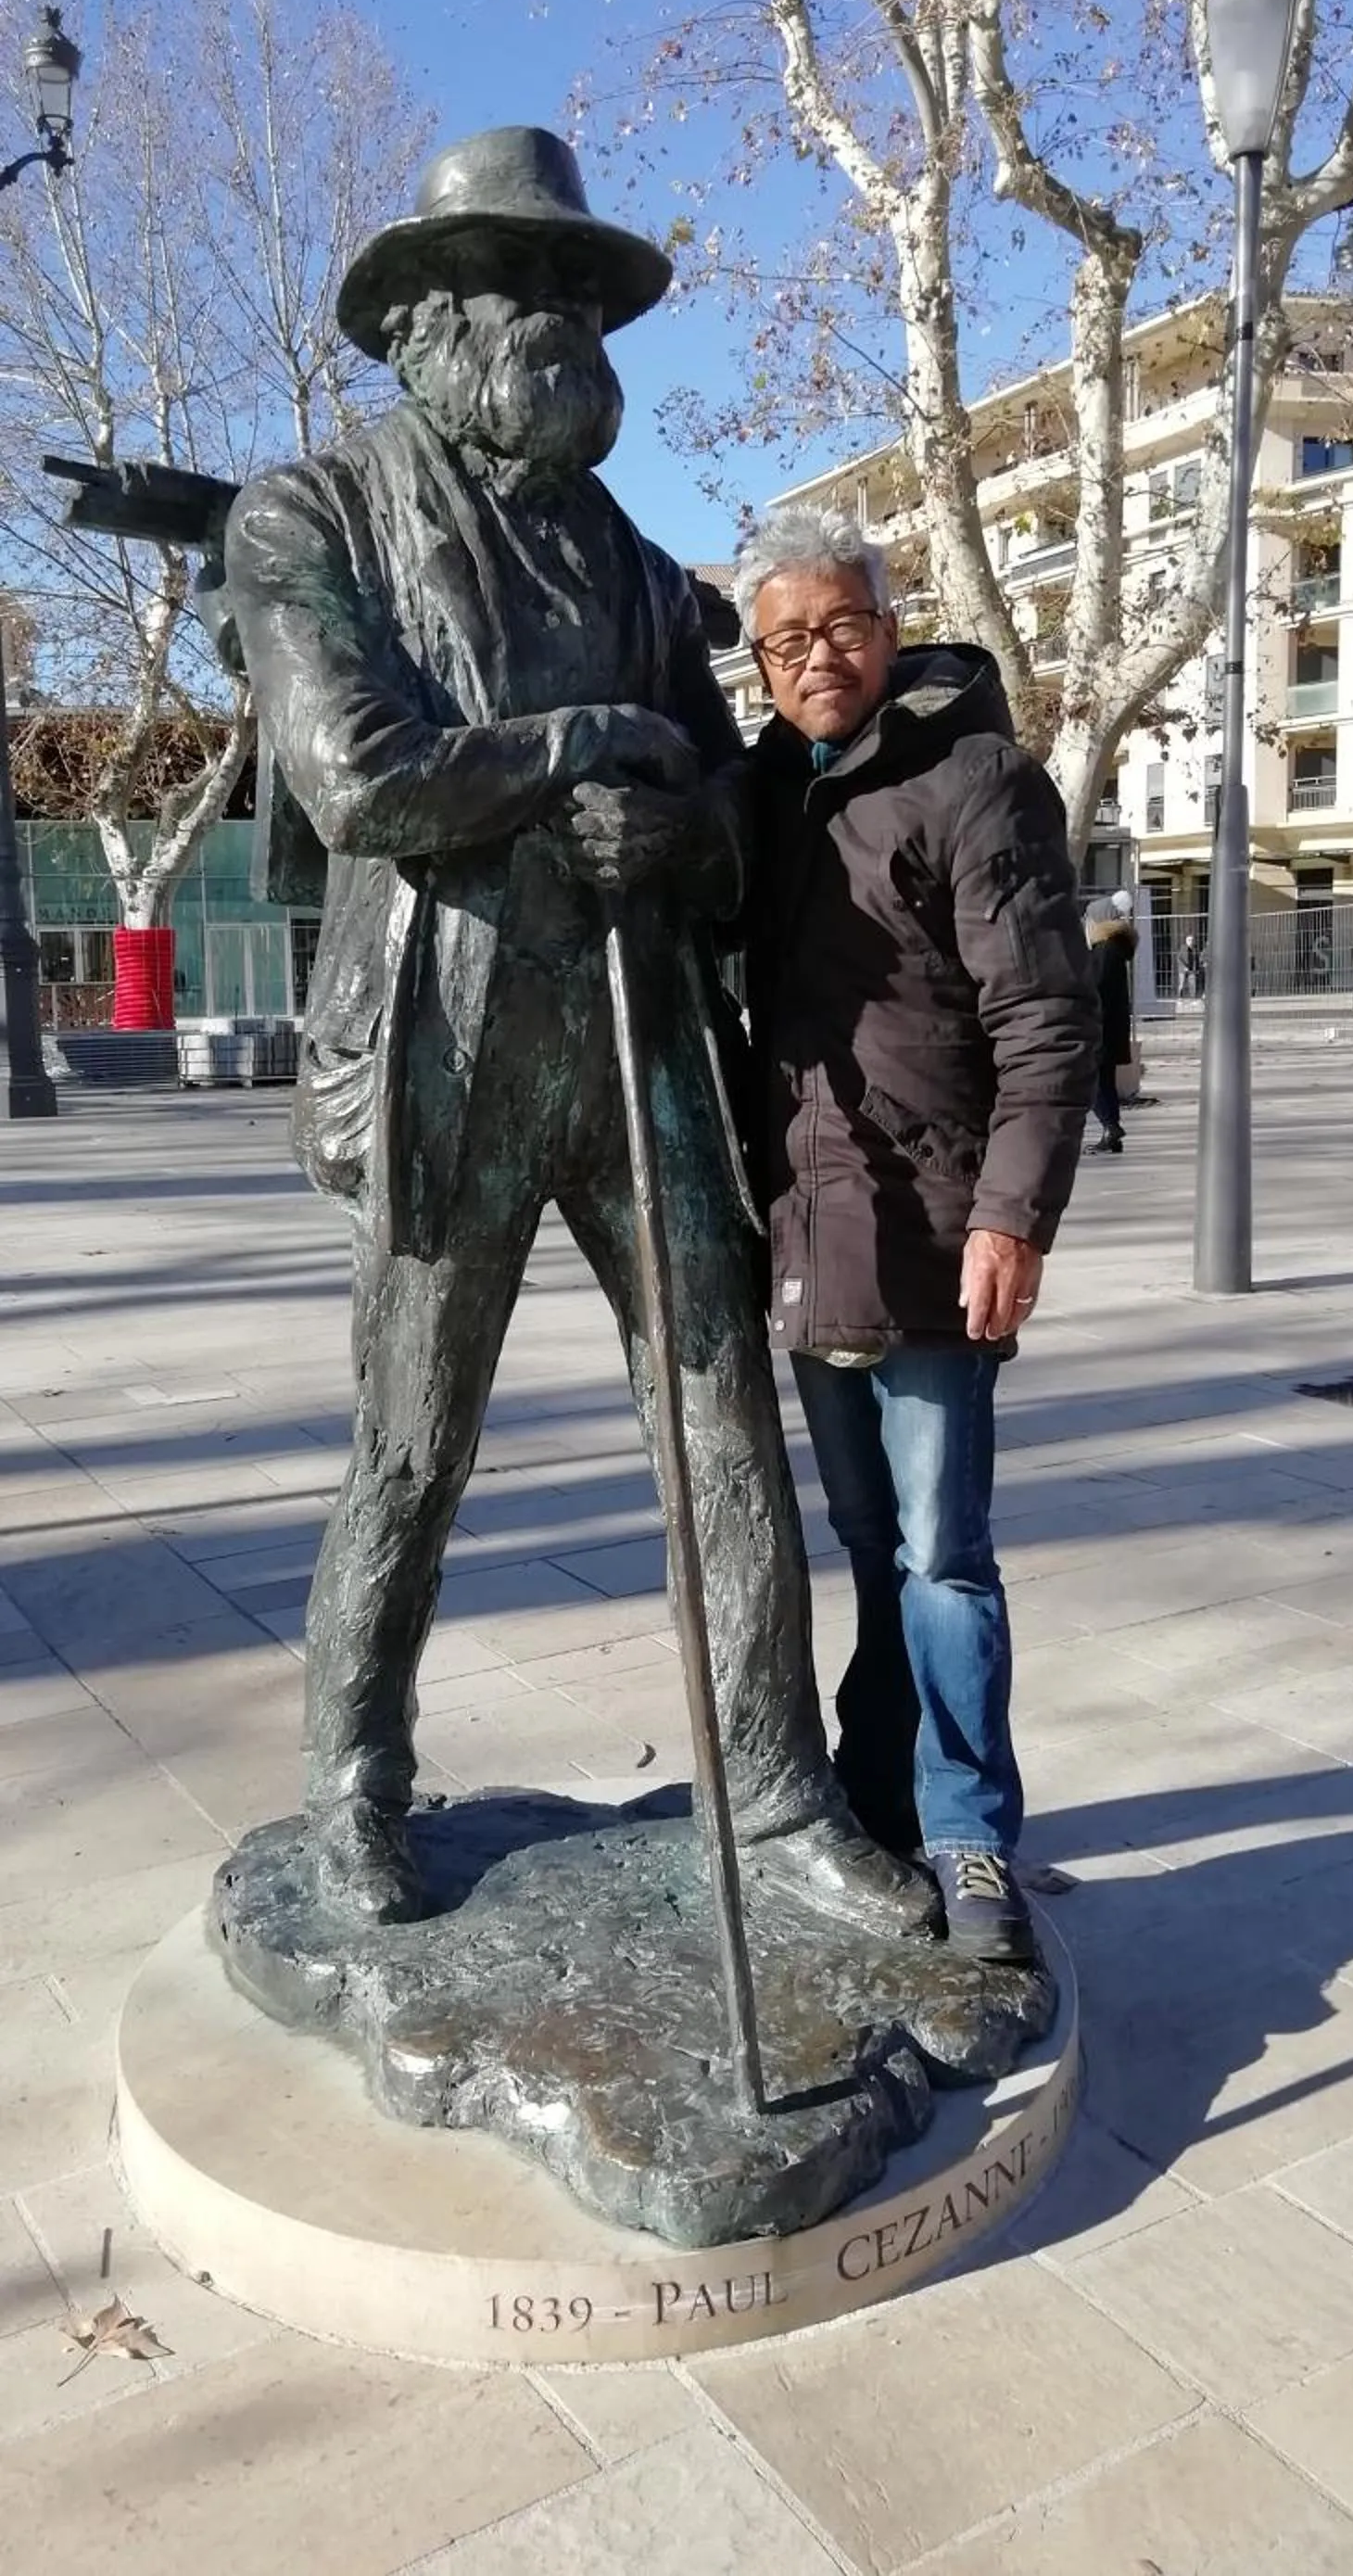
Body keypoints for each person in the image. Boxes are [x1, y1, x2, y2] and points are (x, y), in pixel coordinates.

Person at [220, 131, 929, 1937]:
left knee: (720, 1424)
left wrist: (670, 822)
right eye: (531, 296)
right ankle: (357, 1786)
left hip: (635, 1038)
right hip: (447, 1048)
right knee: (412, 1441)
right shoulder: (311, 515)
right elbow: (354, 775)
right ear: (433, 328)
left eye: (584, 301)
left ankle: (773, 1799)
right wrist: (580, 757)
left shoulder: (622, 548)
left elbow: (717, 797)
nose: (568, 329)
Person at [740, 506, 1098, 1962]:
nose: (817, 658)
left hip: (944, 1239)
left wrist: (1015, 1217)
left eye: (841, 626)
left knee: (944, 1554)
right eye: (785, 641)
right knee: (872, 1540)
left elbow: (1048, 1021)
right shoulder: (758, 793)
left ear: (888, 629)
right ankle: (877, 1790)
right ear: (759, 665)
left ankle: (968, 1838)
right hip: (810, 1238)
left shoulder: (977, 778)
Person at [1086, 891, 1138, 1155]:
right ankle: (1111, 1131)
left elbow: (1095, 988)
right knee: (1103, 1080)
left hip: (1100, 1026)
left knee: (1090, 1079)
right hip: (1110, 1025)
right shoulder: (1113, 950)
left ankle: (1110, 1126)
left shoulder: (1104, 951)